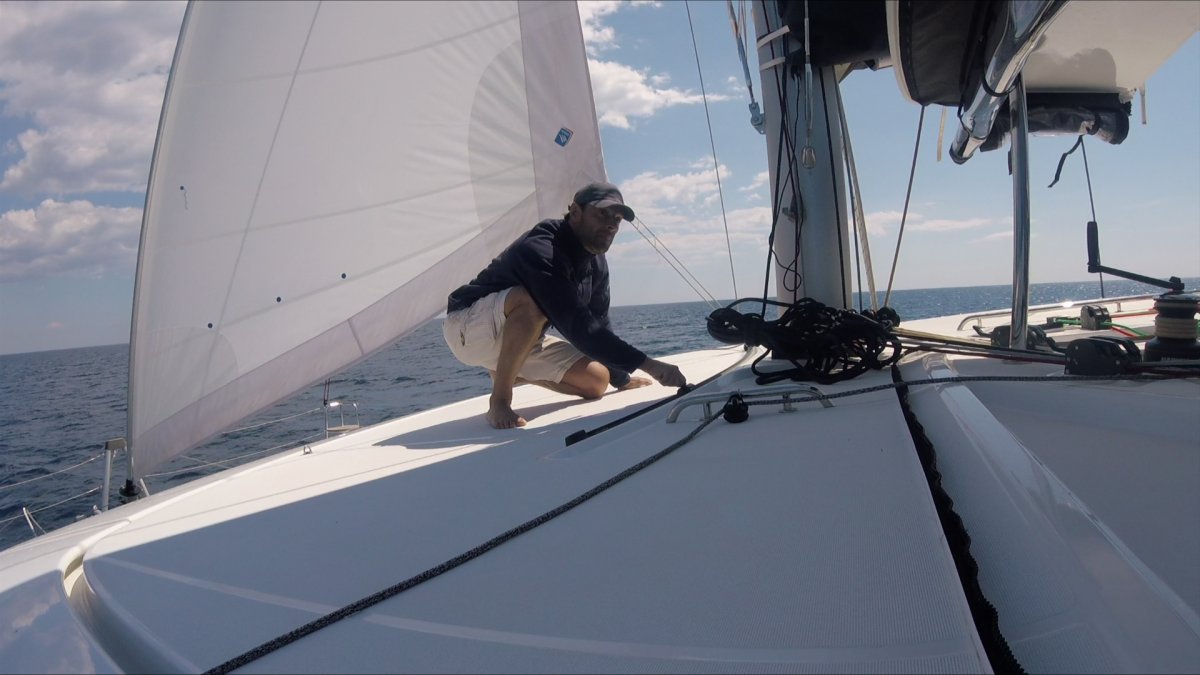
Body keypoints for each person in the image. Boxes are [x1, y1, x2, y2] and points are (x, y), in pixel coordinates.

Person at [443, 181, 687, 429]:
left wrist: (621, 378)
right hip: (466, 328)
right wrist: (649, 364)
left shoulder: (596, 262)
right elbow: (578, 326)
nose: (612, 223)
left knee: (596, 381)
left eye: (617, 218)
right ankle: (500, 400)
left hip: (518, 337)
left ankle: (511, 370)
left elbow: (598, 320)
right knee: (530, 303)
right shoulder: (541, 249)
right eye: (602, 213)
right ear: (575, 212)